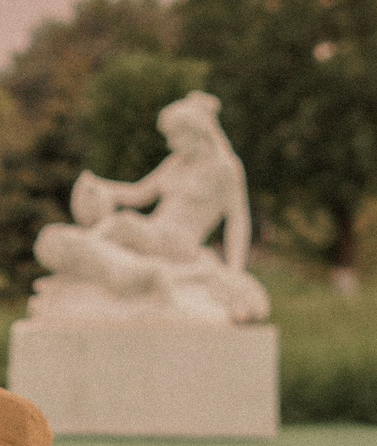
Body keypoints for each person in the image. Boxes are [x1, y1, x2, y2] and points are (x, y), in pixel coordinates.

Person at [29, 89, 269, 324]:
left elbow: (238, 219)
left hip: (181, 243)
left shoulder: (224, 169)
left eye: (176, 136)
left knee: (124, 223)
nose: (172, 144)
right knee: (120, 228)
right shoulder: (176, 163)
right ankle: (113, 263)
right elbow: (140, 193)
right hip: (155, 232)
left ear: (197, 133)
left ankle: (89, 247)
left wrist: (234, 270)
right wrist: (106, 188)